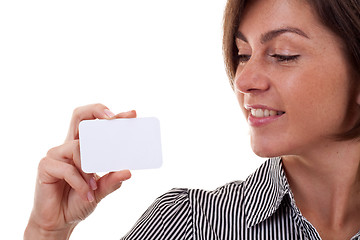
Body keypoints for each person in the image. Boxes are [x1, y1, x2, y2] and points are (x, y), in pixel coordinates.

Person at [24, 0, 360, 239]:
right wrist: (47, 231)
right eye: (242, 55)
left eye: (283, 55)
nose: (243, 81)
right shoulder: (190, 225)